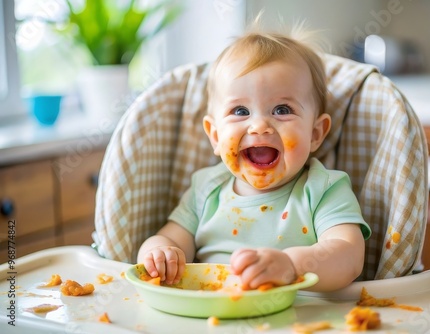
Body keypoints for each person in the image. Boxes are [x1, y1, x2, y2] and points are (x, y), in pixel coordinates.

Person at [137, 25, 371, 292]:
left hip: (299, 319)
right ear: (215, 136)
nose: (259, 126)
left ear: (315, 134)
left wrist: (292, 266)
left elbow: (349, 255)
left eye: (282, 109)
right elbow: (170, 239)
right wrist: (159, 253)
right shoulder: (206, 189)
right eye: (240, 110)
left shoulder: (322, 189)